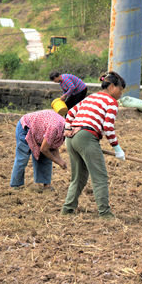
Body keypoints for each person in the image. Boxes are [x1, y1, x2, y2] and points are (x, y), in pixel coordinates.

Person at [60, 71, 126, 221]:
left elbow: (70, 114)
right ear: (112, 87)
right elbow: (108, 127)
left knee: (79, 177)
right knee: (100, 176)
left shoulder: (90, 97)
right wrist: (117, 149)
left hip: (72, 138)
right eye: (120, 89)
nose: (121, 93)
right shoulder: (111, 102)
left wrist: (68, 132)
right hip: (86, 137)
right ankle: (105, 213)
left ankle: (67, 209)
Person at [10, 110, 68, 190]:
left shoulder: (64, 126)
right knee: (22, 158)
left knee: (45, 157)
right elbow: (44, 149)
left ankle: (46, 186)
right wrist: (57, 161)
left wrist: (59, 160)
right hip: (26, 127)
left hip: (38, 132)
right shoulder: (54, 128)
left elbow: (53, 145)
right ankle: (14, 185)